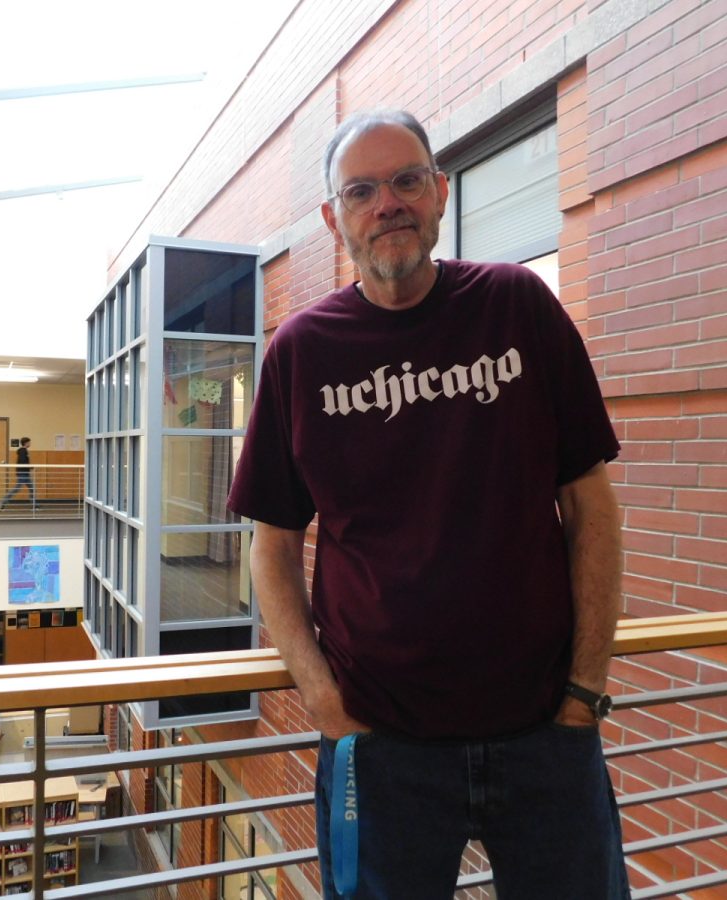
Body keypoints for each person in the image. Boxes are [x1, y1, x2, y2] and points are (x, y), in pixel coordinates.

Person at [227, 109, 629, 899]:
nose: (389, 204)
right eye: (363, 189)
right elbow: (270, 545)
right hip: (383, 751)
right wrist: (321, 698)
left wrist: (584, 693)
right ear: (332, 217)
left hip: (547, 731)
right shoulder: (300, 352)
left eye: (408, 180)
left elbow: (590, 507)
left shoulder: (518, 306)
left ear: (441, 192)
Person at [0, 437, 33, 509]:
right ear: (26, 443)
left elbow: (23, 462)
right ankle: (1, 502)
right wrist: (29, 467)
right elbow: (23, 462)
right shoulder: (23, 451)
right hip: (22, 474)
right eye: (29, 442)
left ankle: (35, 505)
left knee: (32, 488)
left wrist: (29, 467)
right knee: (16, 489)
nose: (30, 444)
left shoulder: (24, 450)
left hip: (25, 473)